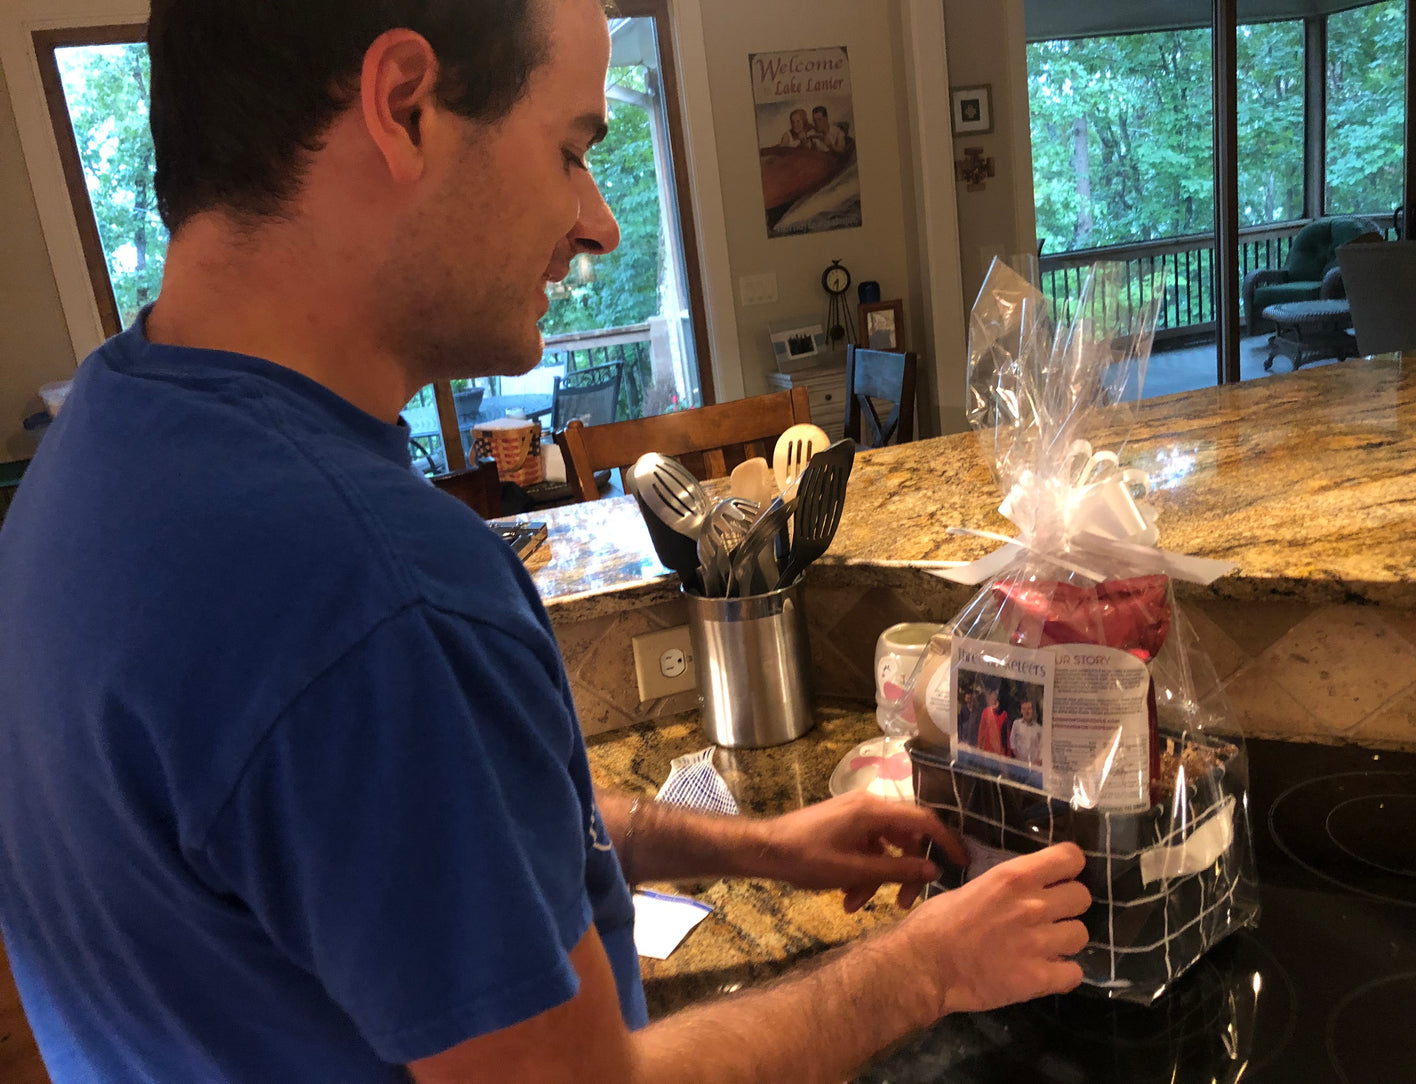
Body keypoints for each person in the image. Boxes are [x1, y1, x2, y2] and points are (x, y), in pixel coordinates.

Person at [0, 1, 1090, 1080]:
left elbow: (439, 854)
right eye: (570, 149)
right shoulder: (379, 594)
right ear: (404, 107)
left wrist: (760, 844)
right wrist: (926, 968)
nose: (598, 220)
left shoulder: (91, 458)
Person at [977, 687, 1011, 757]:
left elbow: (1007, 737)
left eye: (997, 695)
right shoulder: (986, 712)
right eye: (993, 694)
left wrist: (1008, 755)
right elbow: (981, 733)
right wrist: (979, 749)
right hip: (987, 753)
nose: (995, 697)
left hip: (1000, 754)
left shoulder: (1004, 714)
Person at [1010, 698, 1044, 766]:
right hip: (1020, 764)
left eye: (1029, 708)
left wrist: (1038, 762)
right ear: (1021, 711)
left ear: (1032, 710)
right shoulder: (1016, 724)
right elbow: (1012, 742)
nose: (1027, 711)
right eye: (1024, 709)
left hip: (1034, 765)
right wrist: (1018, 758)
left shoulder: (1039, 728)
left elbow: (1042, 746)